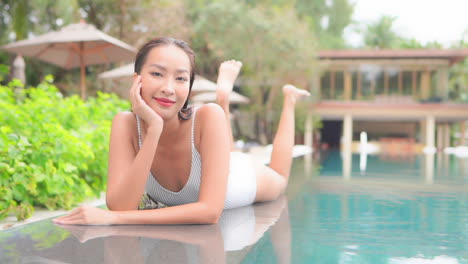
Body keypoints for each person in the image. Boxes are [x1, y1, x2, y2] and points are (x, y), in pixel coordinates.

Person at [53, 36, 309, 225]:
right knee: (220, 137)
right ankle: (224, 96)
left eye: (181, 78)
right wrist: (153, 130)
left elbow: (209, 212)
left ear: (189, 87)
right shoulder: (125, 124)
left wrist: (114, 219)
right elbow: (121, 204)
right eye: (157, 74)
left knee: (280, 179)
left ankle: (288, 99)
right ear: (136, 80)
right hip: (214, 154)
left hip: (239, 178)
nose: (168, 88)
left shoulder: (207, 117)